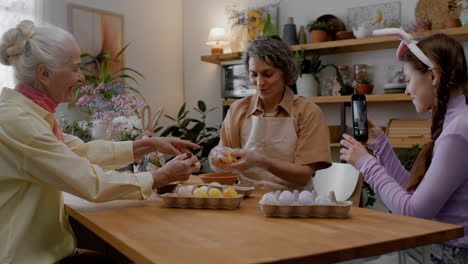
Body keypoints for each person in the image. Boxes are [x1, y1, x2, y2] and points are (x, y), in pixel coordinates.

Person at [0, 20, 200, 263]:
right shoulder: (19, 122)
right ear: (44, 74)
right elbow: (90, 181)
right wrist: (161, 177)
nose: (82, 77)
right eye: (74, 68)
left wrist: (150, 144)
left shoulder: (28, 114)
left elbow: (80, 152)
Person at [340, 29, 468, 262]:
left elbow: (413, 211)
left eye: (408, 80)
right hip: (442, 247)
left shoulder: (457, 133)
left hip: (451, 254)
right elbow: (415, 194)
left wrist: (366, 164)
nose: (407, 90)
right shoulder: (456, 122)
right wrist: (381, 146)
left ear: (432, 76)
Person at [209, 35, 331, 190]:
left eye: (268, 74)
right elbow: (222, 166)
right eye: (254, 74)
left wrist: (261, 162)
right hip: (248, 198)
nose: (259, 83)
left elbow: (303, 176)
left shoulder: (307, 112)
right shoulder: (238, 110)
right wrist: (217, 156)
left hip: (293, 203)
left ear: (285, 73)